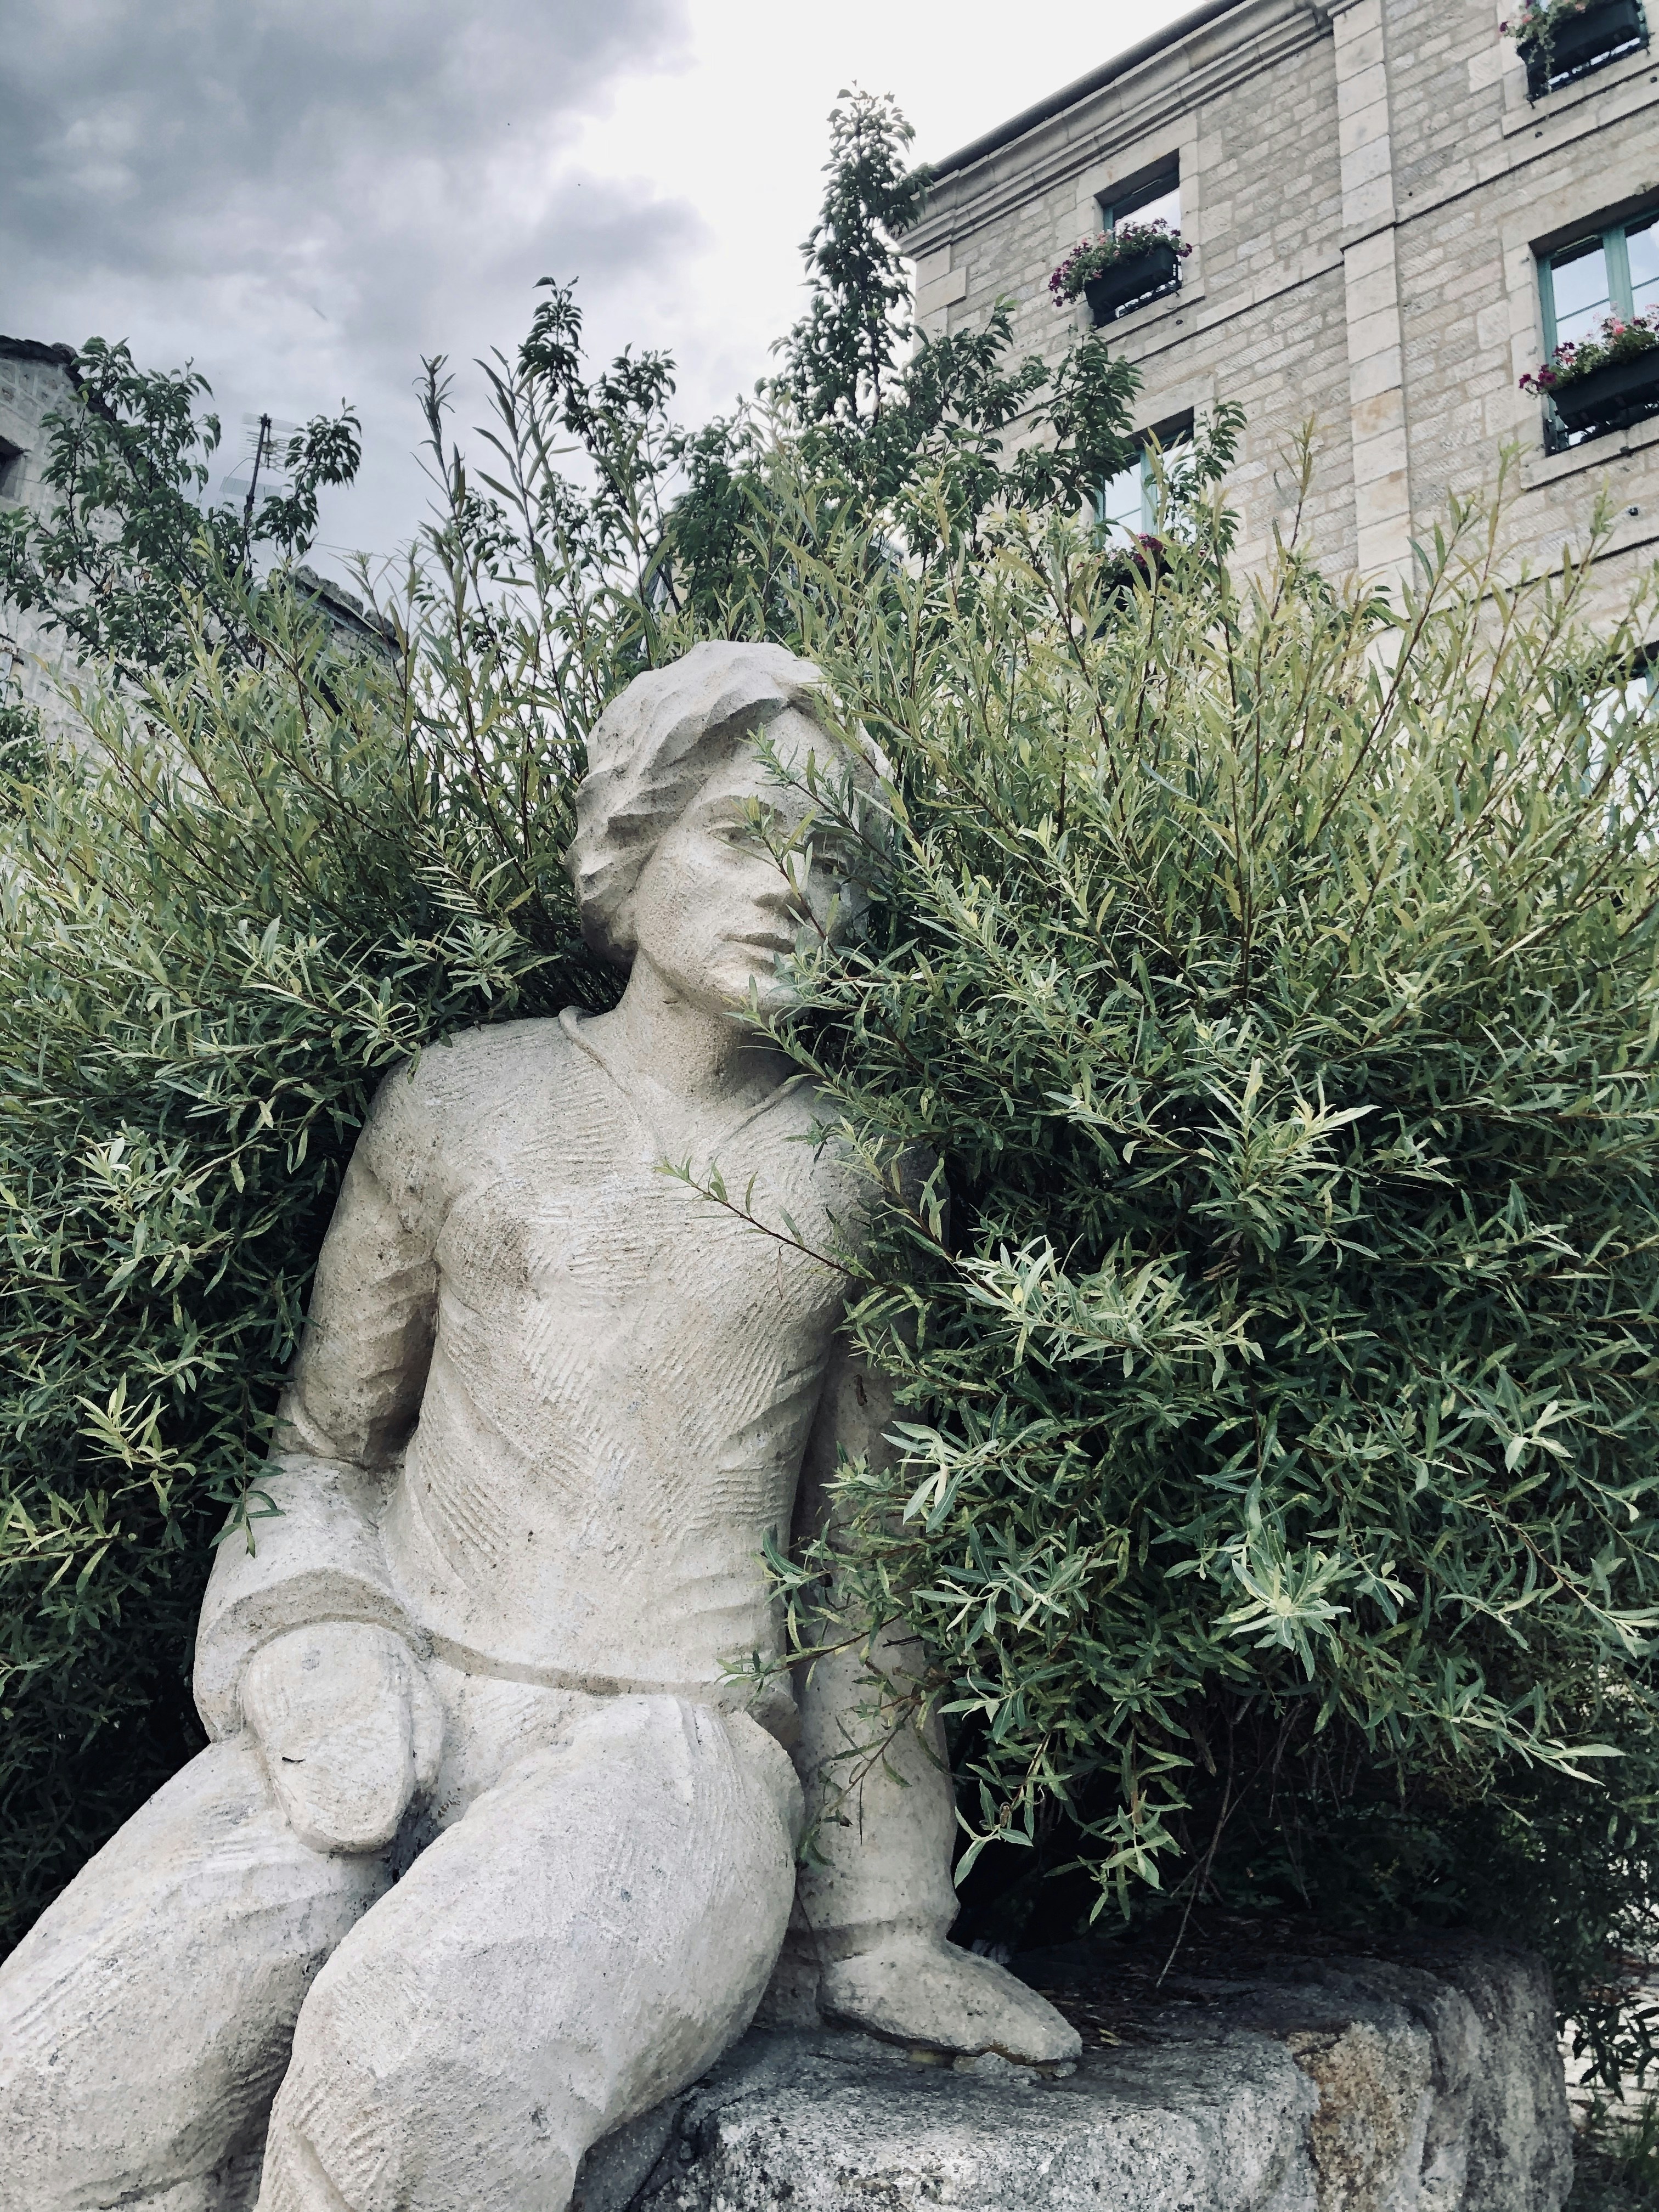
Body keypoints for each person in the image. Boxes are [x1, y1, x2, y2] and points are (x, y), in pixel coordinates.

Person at [0, 642, 1077, 2212]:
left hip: (677, 1753)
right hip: (400, 1703)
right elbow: (322, 1455)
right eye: (741, 833)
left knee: (415, 2081)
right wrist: (311, 1636)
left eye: (834, 865)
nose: (792, 892)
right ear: (630, 845)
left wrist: (882, 1926)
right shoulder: (457, 1102)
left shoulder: (869, 1166)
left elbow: (872, 1549)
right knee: (50, 2076)